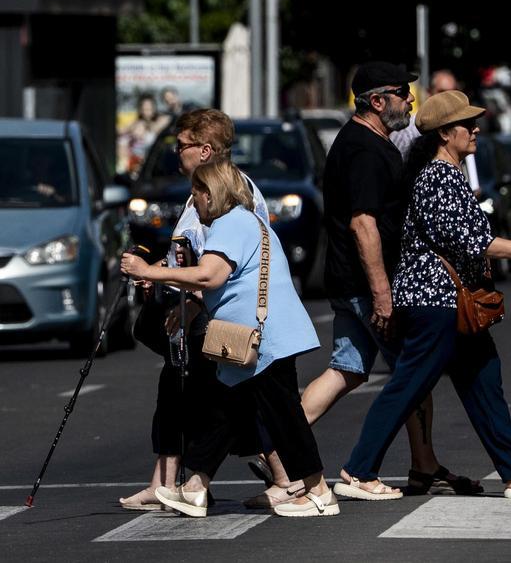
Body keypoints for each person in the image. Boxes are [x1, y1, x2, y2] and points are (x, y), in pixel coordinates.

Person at [337, 90, 511, 501]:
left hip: (451, 304)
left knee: (484, 379)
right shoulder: (438, 175)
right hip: (434, 302)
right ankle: (357, 471)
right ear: (445, 133)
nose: (475, 129)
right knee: (408, 385)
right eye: (466, 124)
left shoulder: (449, 173)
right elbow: (469, 238)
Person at [292, 61, 479, 499]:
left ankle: (279, 447)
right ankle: (369, 470)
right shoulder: (365, 151)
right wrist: (383, 294)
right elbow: (364, 224)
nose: (411, 99)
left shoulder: (370, 144)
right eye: (402, 92)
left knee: (348, 369)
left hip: (349, 280)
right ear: (378, 102)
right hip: (364, 283)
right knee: (413, 374)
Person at [120, 160, 336, 518]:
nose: (195, 202)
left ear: (211, 193)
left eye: (196, 194)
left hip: (264, 340)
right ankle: (194, 488)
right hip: (251, 339)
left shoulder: (231, 222)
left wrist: (150, 272)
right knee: (225, 411)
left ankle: (318, 491)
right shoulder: (242, 222)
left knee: (284, 416)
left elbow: (211, 276)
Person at [118, 108, 270, 512]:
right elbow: (189, 254)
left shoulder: (231, 192)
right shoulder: (199, 191)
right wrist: (159, 275)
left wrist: (191, 302)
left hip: (216, 311)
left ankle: (279, 474)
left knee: (224, 398)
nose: (177, 153)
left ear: (205, 150)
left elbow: (222, 262)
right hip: (193, 305)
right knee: (181, 390)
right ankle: (165, 481)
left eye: (182, 146)